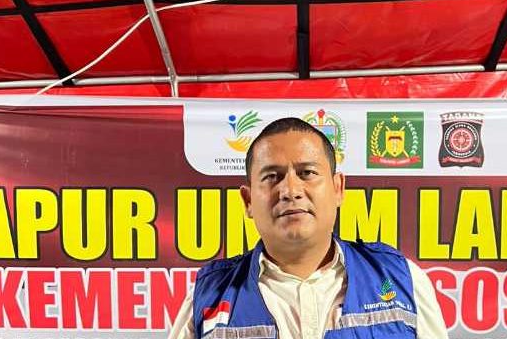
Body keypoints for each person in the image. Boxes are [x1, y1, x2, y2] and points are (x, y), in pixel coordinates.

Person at [169, 118, 448, 339]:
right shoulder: (208, 296)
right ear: (248, 200)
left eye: (307, 173)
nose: (290, 190)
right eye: (272, 176)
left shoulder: (402, 280)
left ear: (338, 188)